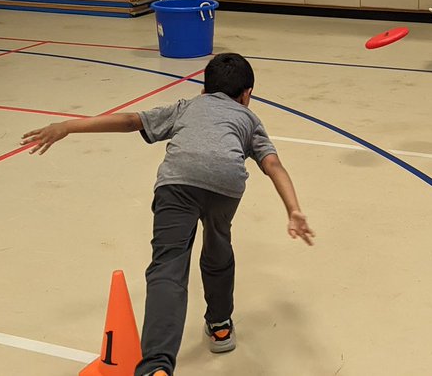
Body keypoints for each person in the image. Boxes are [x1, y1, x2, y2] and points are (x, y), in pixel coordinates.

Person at [21, 53, 315, 376]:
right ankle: (219, 326)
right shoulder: (250, 120)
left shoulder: (188, 106)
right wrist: (293, 208)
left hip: (177, 180)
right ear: (247, 95)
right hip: (225, 184)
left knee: (168, 267)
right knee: (218, 247)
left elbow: (131, 121)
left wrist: (68, 127)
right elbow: (273, 165)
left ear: (204, 90)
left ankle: (157, 367)